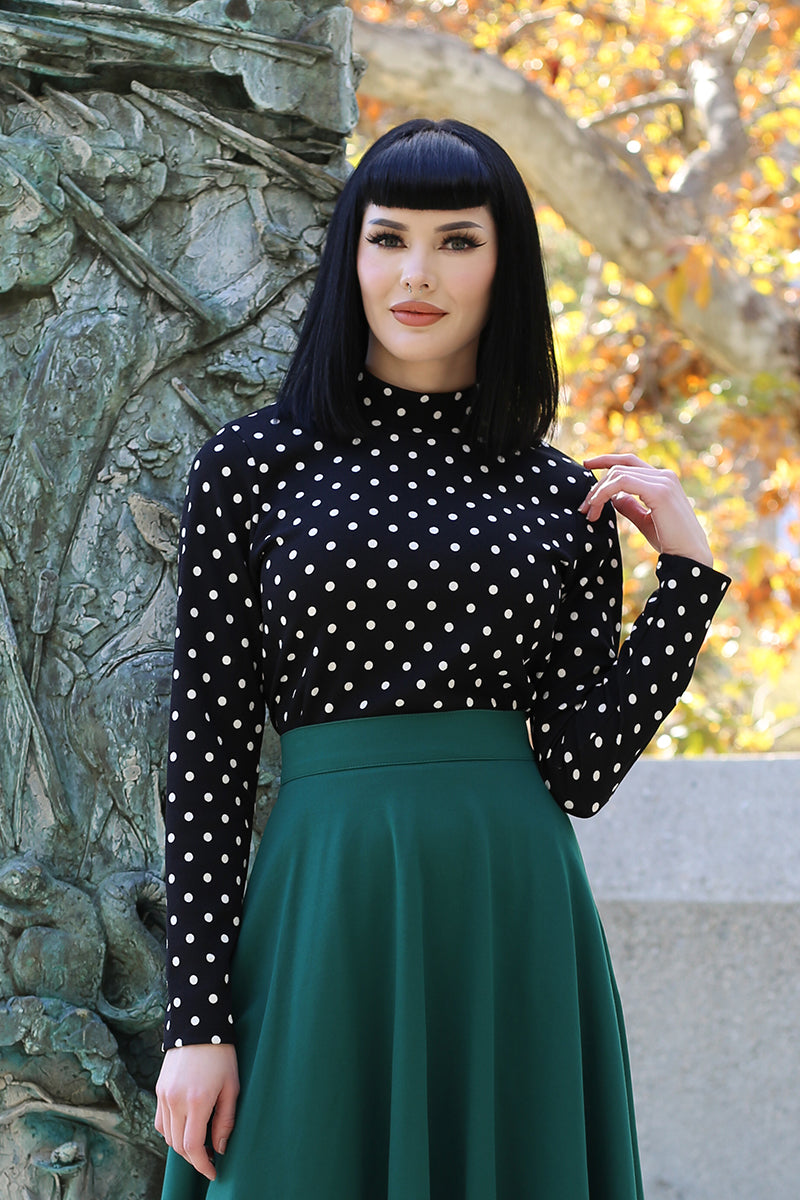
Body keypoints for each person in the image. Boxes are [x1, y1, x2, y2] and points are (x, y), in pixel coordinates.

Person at [155, 119, 730, 1199]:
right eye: (388, 239)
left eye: (457, 240)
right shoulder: (253, 465)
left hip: (508, 910)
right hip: (324, 904)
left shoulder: (561, 497)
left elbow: (577, 771)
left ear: (502, 262)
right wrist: (198, 1024)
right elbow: (207, 756)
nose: (416, 274)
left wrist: (684, 587)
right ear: (351, 258)